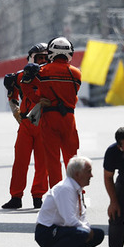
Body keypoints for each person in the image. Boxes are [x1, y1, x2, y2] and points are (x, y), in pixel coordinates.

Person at [1, 43, 50, 209]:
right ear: (31, 58)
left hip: (46, 124)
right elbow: (11, 92)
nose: (42, 61)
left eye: (45, 57)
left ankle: (38, 196)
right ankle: (16, 196)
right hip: (26, 124)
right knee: (20, 162)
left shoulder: (53, 75)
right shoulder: (19, 76)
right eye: (39, 58)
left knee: (42, 164)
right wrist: (15, 111)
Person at [35, 156, 105, 247]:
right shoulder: (65, 188)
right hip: (46, 232)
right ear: (77, 174)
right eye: (88, 172)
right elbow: (70, 220)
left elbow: (81, 217)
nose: (91, 175)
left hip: (62, 229)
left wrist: (88, 229)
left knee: (98, 234)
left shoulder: (76, 189)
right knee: (82, 233)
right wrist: (87, 231)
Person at [34, 37, 81, 188]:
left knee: (53, 159)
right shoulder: (76, 73)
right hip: (68, 118)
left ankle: (57, 194)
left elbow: (32, 92)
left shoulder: (42, 72)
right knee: (72, 158)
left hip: (49, 117)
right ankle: (77, 193)